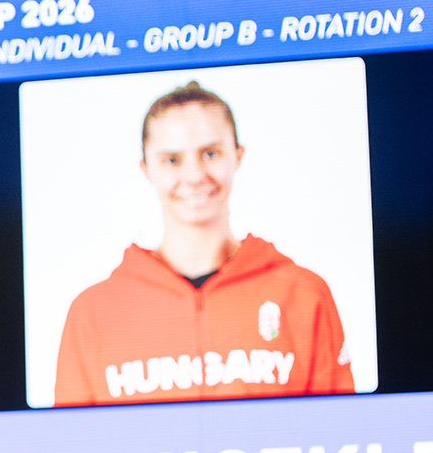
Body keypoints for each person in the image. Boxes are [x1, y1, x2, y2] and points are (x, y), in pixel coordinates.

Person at [53, 81, 354, 407]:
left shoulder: (305, 295)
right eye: (172, 160)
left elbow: (342, 431)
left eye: (210, 154)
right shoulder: (91, 313)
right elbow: (70, 438)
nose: (195, 176)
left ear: (237, 156)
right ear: (146, 169)